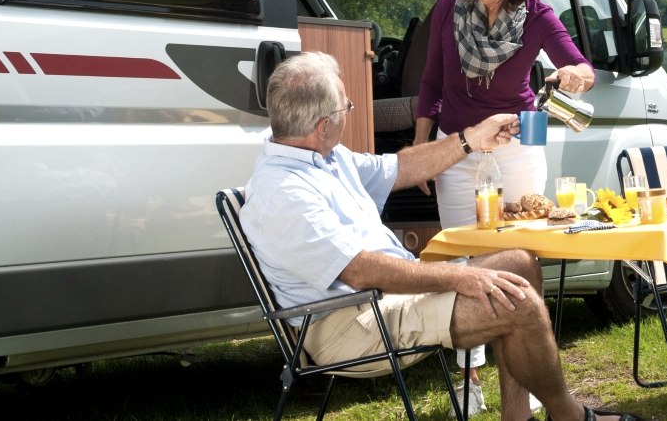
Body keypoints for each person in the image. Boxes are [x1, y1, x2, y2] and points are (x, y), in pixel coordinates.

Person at [242, 52, 636, 421]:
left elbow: (399, 168)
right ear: (322, 125)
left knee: (518, 260)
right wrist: (461, 275)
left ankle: (517, 414)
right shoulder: (285, 191)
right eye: (346, 107)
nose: (350, 112)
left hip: (382, 299)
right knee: (518, 303)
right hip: (351, 322)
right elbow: (360, 271)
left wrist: (470, 139)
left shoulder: (325, 158)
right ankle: (570, 415)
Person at [413, 0, 596, 408]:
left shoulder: (536, 14)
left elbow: (579, 65)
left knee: (519, 261)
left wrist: (574, 77)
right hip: (455, 148)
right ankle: (470, 381)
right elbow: (431, 81)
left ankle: (525, 379)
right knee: (463, 261)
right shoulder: (448, 8)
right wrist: (423, 150)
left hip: (515, 149)